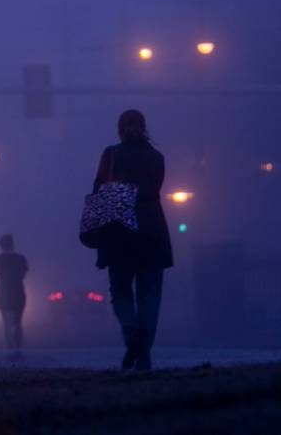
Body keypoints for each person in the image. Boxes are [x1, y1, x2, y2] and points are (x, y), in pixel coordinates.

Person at [92, 109, 173, 371]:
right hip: (153, 232)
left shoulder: (112, 155)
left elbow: (99, 192)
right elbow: (154, 191)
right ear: (143, 127)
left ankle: (130, 330)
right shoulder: (157, 158)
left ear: (120, 129)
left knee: (121, 292)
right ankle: (144, 355)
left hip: (120, 233)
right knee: (150, 296)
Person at [0, 234, 28, 359]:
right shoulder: (20, 258)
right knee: (17, 322)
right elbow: (24, 272)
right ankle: (18, 348)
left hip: (4, 293)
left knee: (7, 323)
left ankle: (10, 349)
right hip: (18, 292)